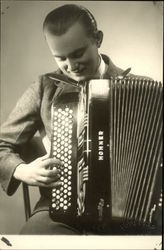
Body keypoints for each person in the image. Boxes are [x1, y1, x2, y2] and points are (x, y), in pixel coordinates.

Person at [0, 4, 146, 235]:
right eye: (61, 58)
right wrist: (21, 170)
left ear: (97, 39)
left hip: (134, 210)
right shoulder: (44, 88)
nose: (71, 65)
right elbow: (2, 144)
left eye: (78, 53)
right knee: (33, 237)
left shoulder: (140, 88)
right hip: (60, 211)